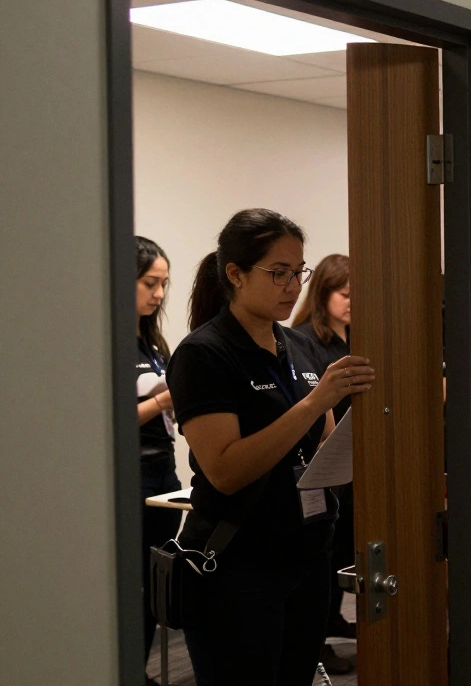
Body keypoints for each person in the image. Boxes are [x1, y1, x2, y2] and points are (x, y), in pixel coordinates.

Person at [167, 209, 374, 686]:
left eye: (297, 272)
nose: (292, 285)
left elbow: (320, 444)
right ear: (235, 275)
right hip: (239, 564)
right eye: (278, 273)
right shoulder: (205, 354)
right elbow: (225, 470)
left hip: (306, 556)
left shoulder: (297, 347)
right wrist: (317, 401)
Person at [290, 254, 356, 673]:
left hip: (348, 460)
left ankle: (331, 619)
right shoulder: (304, 341)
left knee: (343, 543)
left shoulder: (353, 336)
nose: (353, 302)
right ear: (323, 294)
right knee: (325, 551)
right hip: (320, 462)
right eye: (346, 294)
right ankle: (316, 641)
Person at [134, 236, 181, 685]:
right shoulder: (108, 342)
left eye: (164, 284)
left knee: (155, 577)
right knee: (133, 580)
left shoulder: (151, 343)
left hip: (162, 465)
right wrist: (165, 399)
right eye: (150, 283)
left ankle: (140, 666)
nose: (159, 295)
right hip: (134, 472)